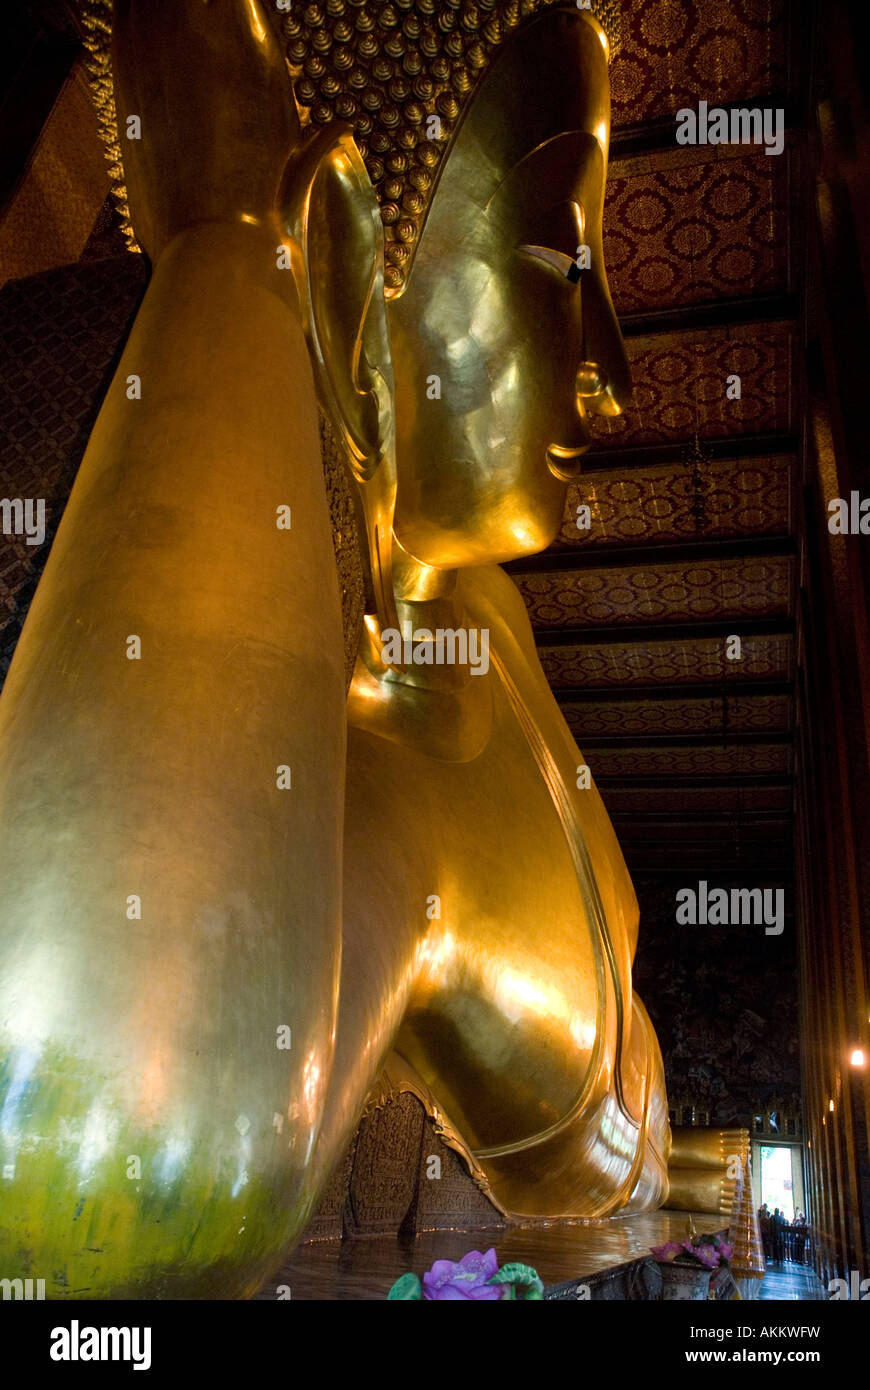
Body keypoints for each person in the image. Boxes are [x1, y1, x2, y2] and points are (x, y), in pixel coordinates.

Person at [0, 0, 670, 1298]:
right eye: (556, 262)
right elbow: (102, 1159)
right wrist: (230, 259)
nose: (608, 375)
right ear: (350, 270)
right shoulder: (345, 764)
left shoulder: (491, 625)